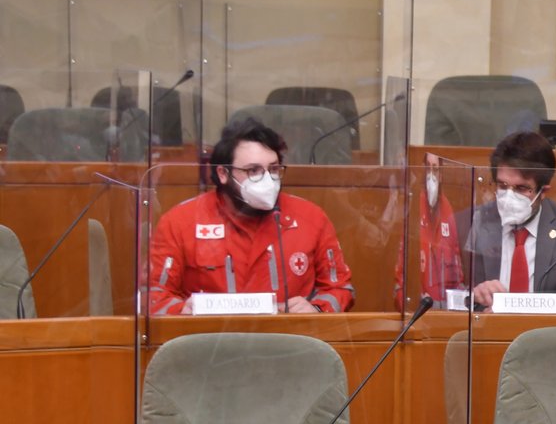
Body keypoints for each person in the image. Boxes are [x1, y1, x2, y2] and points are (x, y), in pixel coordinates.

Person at [148, 119, 355, 315]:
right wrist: (182, 310)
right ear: (223, 174)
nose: (267, 179)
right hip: (209, 344)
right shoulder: (180, 222)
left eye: (273, 169)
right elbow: (154, 295)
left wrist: (317, 309)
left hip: (290, 342)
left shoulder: (311, 218)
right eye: (253, 170)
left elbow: (340, 288)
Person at [460, 130, 556, 307]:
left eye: (521, 188)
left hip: (547, 333)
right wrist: (474, 298)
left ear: (543, 192)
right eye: (503, 186)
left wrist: (551, 309)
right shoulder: (475, 221)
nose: (509, 197)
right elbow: (449, 298)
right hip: (488, 331)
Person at [394, 152, 463, 310]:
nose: (431, 176)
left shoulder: (447, 208)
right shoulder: (412, 206)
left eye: (436, 170)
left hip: (446, 312)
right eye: (428, 169)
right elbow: (400, 270)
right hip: (417, 309)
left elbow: (456, 263)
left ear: (441, 175)